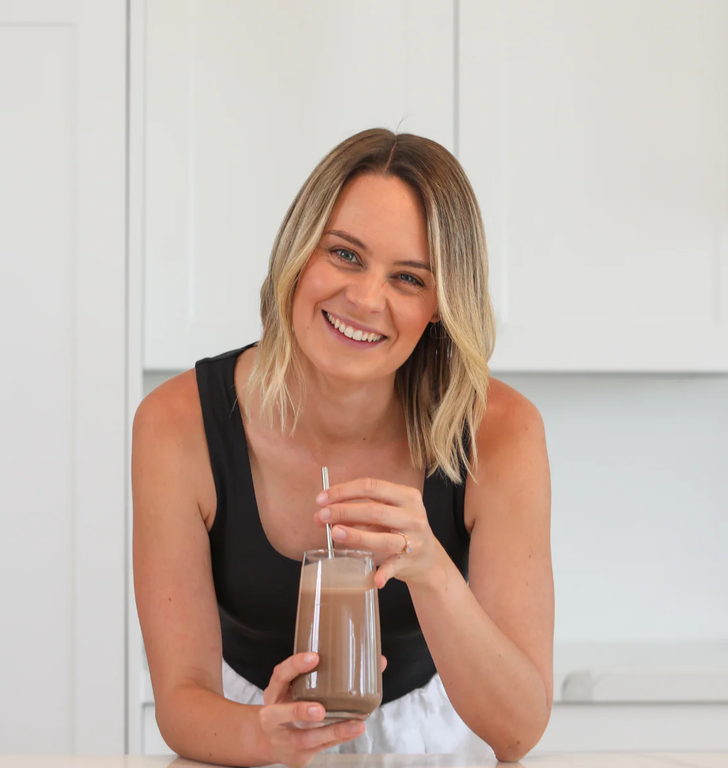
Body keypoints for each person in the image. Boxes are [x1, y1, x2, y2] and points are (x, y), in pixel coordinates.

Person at [132, 128, 554, 767]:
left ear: (441, 304)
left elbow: (517, 730)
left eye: (409, 277)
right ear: (300, 250)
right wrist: (264, 737)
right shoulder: (178, 423)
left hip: (430, 736)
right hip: (246, 732)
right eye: (346, 255)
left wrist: (433, 569)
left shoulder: (499, 432)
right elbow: (182, 700)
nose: (364, 299)